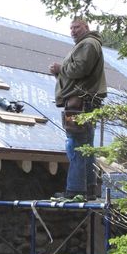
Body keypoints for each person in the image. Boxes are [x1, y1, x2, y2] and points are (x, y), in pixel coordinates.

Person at [50, 18, 107, 200]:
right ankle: (89, 189)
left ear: (86, 28)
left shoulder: (88, 44)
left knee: (75, 145)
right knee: (86, 147)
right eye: (71, 28)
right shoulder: (87, 44)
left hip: (80, 104)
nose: (73, 31)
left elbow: (80, 69)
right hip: (85, 102)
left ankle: (75, 190)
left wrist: (61, 68)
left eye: (77, 27)